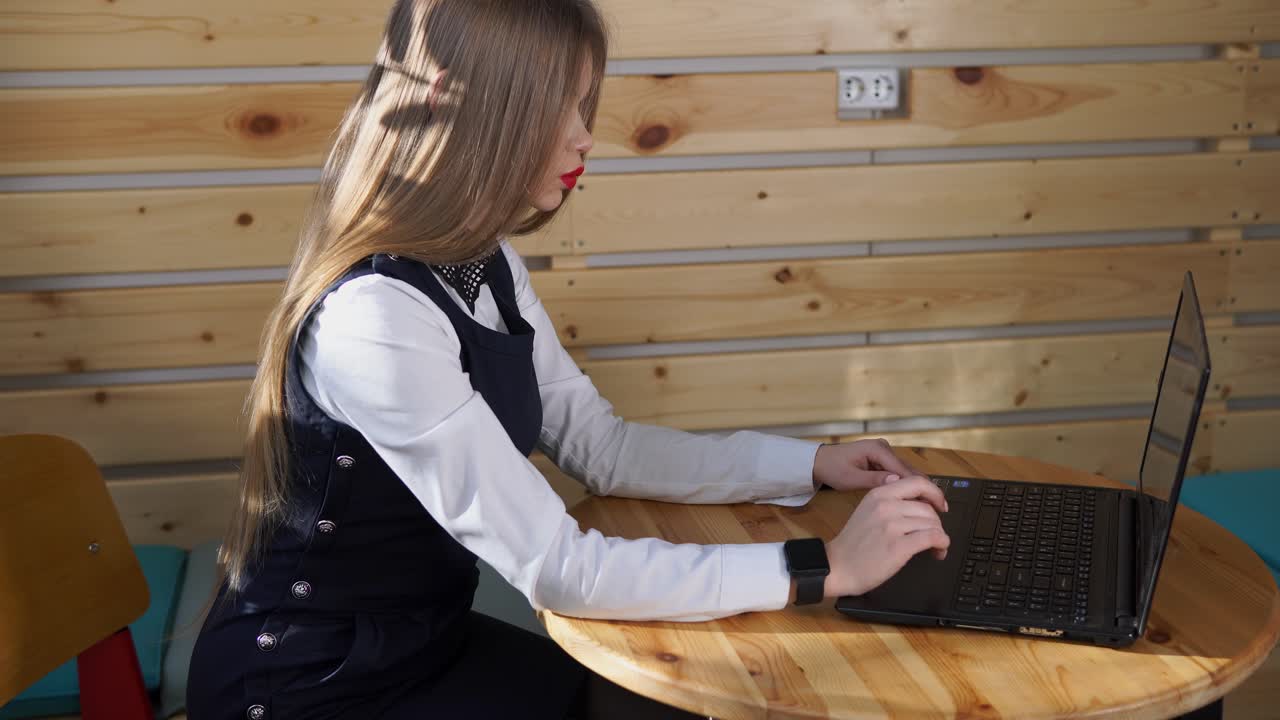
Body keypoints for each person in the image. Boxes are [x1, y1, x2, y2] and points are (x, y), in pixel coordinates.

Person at [186, 1, 951, 718]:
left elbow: (605, 448)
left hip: (430, 640)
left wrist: (812, 463)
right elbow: (558, 569)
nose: (585, 137)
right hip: (312, 685)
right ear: (466, 104)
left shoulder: (486, 263)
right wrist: (824, 567)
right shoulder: (374, 319)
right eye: (563, 107)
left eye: (585, 107)